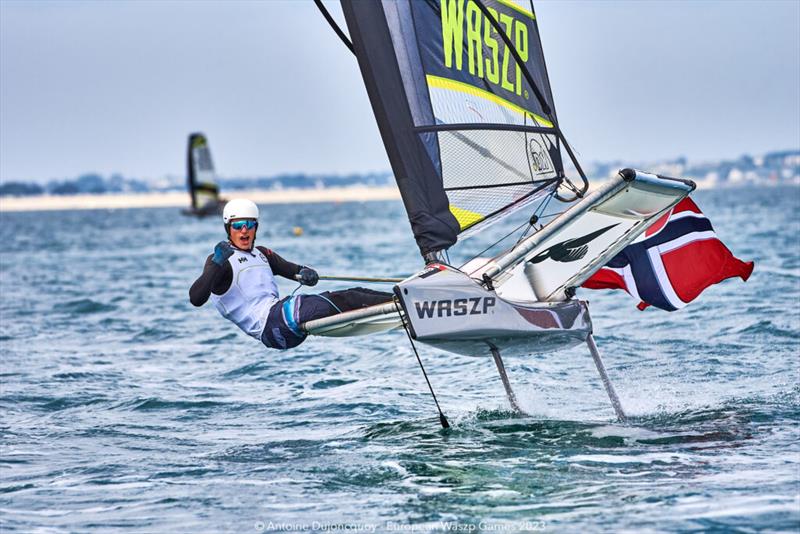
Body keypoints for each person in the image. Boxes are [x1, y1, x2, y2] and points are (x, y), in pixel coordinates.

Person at [190, 199, 392, 350]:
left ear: (256, 228)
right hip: (270, 325)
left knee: (354, 294)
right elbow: (196, 299)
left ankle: (398, 301)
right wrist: (216, 262)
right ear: (228, 228)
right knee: (348, 299)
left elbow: (295, 271)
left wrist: (306, 273)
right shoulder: (220, 262)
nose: (244, 231)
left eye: (249, 225)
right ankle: (403, 304)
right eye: (237, 226)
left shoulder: (263, 254)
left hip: (281, 320)